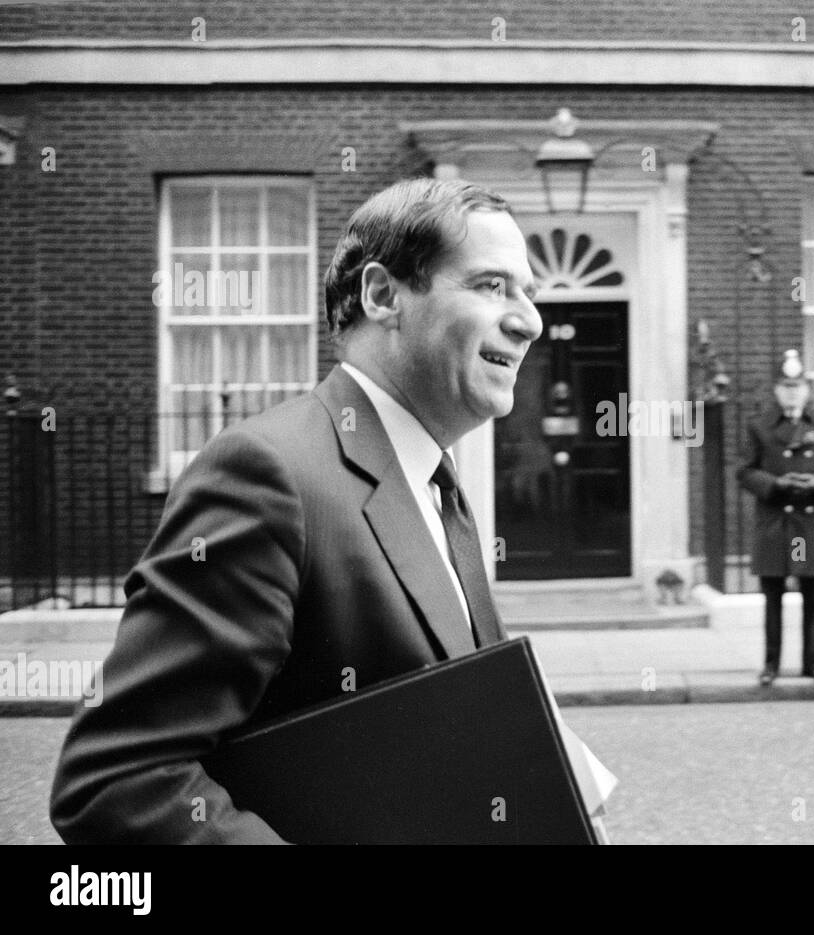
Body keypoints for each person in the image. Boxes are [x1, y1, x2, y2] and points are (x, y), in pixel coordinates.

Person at [49, 178, 552, 842]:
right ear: (382, 295)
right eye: (492, 286)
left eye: (529, 292)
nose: (529, 319)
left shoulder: (437, 483)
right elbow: (115, 780)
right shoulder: (268, 473)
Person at [738, 349, 814, 687]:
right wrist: (775, 484)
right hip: (776, 523)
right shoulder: (759, 426)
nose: (792, 391)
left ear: (807, 389)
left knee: (811, 596)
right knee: (773, 598)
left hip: (809, 526)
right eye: (785, 385)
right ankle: (771, 663)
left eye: (797, 385)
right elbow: (744, 470)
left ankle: (813, 663)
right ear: (776, 390)